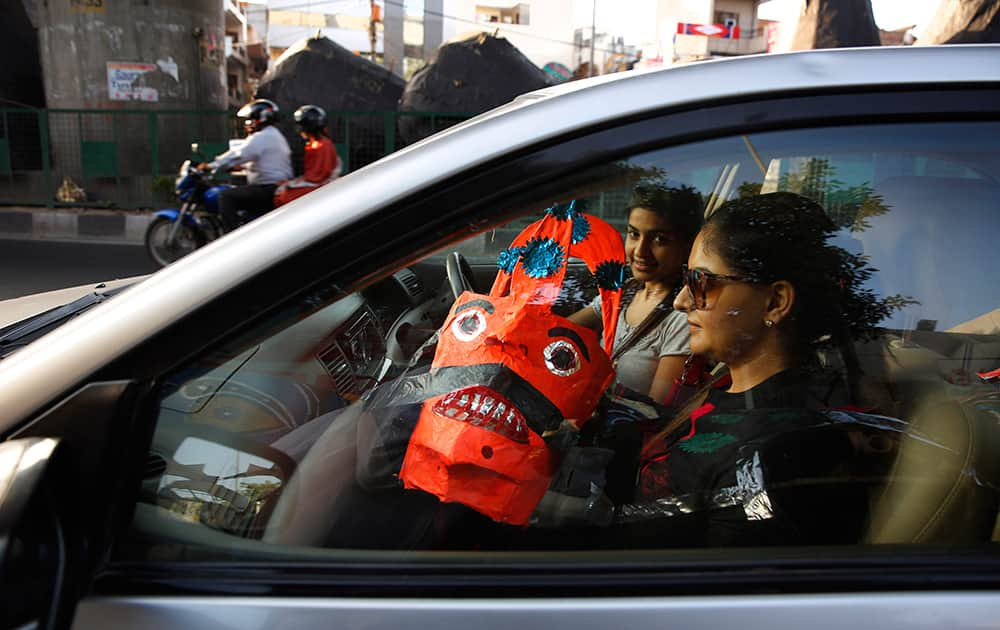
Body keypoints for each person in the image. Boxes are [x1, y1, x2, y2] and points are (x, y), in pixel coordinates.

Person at [616, 192, 899, 547]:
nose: (681, 300)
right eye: (686, 279)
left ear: (775, 302)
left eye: (702, 283)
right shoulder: (735, 385)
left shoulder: (781, 451)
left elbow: (723, 588)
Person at [570, 183, 702, 403]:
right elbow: (559, 331)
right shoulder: (625, 292)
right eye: (633, 234)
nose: (640, 251)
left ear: (687, 246)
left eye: (659, 239)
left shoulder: (682, 318)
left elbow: (655, 413)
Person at [201, 98, 293, 231]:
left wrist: (211, 165)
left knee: (225, 196)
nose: (248, 124)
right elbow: (261, 160)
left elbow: (238, 154)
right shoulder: (274, 135)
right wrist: (241, 166)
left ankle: (231, 236)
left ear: (260, 119)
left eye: (250, 119)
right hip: (275, 186)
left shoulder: (262, 137)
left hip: (268, 188)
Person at [274, 105, 341, 207]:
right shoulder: (316, 144)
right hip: (317, 183)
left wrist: (291, 184)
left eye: (301, 126)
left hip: (321, 186)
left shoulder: (322, 145)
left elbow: (317, 177)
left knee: (283, 197)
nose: (299, 130)